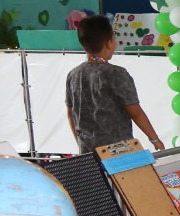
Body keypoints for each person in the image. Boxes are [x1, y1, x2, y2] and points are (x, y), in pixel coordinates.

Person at [65, 15, 163, 154]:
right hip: (119, 150)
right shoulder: (116, 73)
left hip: (88, 150)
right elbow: (135, 112)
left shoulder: (73, 75)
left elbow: (71, 114)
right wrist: (154, 139)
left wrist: (81, 144)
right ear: (109, 43)